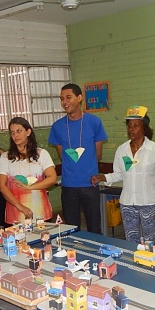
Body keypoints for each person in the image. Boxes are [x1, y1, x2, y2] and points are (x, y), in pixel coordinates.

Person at [91, 106, 155, 243]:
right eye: (129, 125)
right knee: (131, 241)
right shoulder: (122, 150)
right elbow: (118, 174)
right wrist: (103, 177)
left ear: (144, 128)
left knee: (150, 241)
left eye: (136, 125)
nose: (131, 129)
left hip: (149, 203)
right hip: (127, 203)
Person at [48, 83, 107, 232]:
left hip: (90, 184)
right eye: (62, 99)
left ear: (79, 97)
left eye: (68, 97)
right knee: (71, 229)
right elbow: (62, 155)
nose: (64, 102)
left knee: (95, 227)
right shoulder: (57, 126)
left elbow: (98, 154)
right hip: (68, 186)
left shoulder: (94, 122)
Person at [0, 117, 57, 223]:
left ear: (28, 132)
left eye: (19, 131)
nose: (15, 136)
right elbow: (2, 186)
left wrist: (30, 187)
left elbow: (52, 178)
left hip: (40, 212)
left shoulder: (42, 154)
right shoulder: (5, 157)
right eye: (12, 132)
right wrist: (20, 207)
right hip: (15, 214)